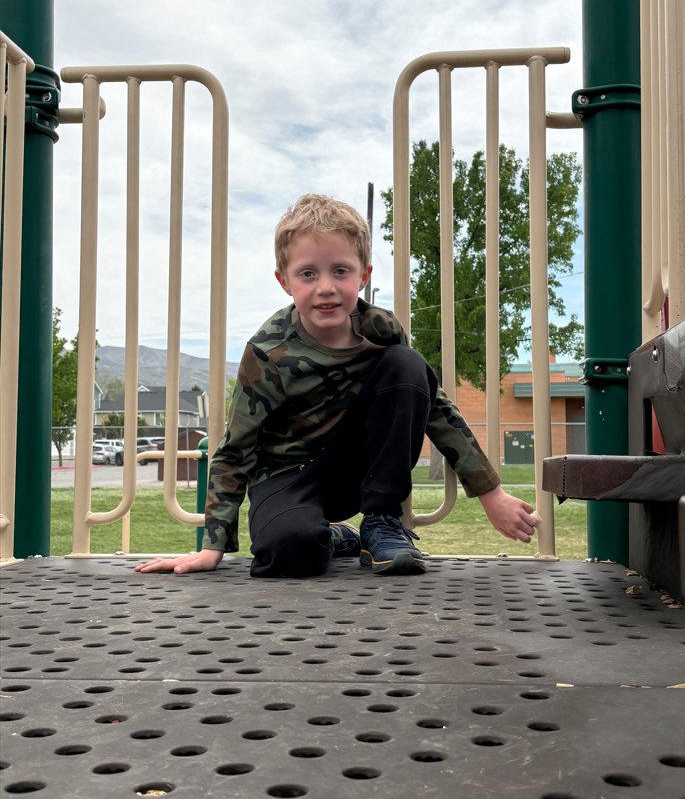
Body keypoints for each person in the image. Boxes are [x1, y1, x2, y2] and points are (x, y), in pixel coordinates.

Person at [136, 194, 537, 579]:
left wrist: (490, 493)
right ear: (284, 281)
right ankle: (331, 535)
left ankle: (381, 522)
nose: (325, 287)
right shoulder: (268, 353)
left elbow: (432, 405)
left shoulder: (382, 331)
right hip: (286, 475)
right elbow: (236, 448)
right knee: (289, 553)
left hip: (355, 471)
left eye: (340, 271)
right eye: (308, 273)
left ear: (363, 276)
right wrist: (212, 547)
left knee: (408, 365)